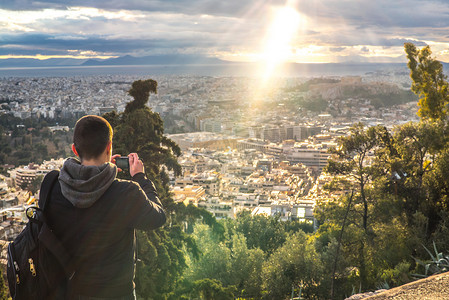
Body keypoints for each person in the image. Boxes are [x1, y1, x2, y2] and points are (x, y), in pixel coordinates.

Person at [39, 115, 166, 299]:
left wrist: (103, 172)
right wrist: (140, 177)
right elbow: (158, 217)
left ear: (75, 149)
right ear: (109, 147)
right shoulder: (125, 193)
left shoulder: (51, 186)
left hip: (67, 292)